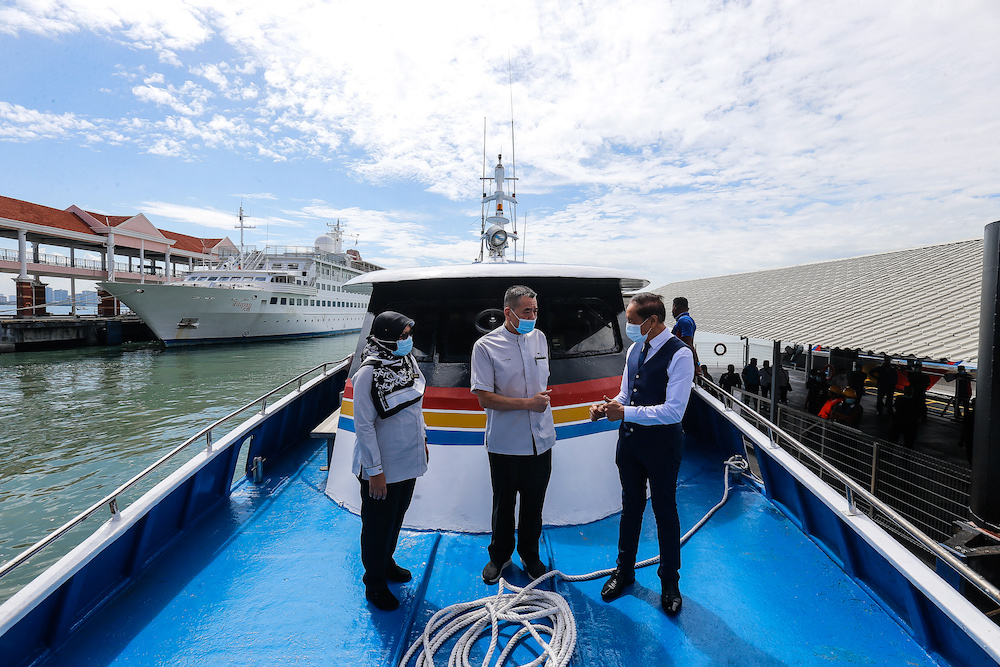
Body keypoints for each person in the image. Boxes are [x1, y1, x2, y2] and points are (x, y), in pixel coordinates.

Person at [589, 292, 695, 616]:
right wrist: (605, 407)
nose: (629, 327)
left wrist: (625, 413)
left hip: (662, 446)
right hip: (631, 445)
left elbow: (673, 412)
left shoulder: (681, 355)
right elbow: (625, 393)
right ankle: (624, 572)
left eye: (633, 322)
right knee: (630, 508)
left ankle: (670, 583)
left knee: (665, 512)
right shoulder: (635, 349)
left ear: (652, 321)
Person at [471, 285, 555, 584]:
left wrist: (540, 401)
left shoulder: (540, 338)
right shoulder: (485, 347)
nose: (533, 316)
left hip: (541, 441)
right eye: (527, 312)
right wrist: (528, 404)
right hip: (505, 444)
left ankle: (530, 555)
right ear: (509, 312)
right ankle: (499, 556)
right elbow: (484, 398)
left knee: (534, 505)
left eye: (535, 311)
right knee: (503, 505)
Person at [352, 311, 429, 611]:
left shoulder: (407, 362)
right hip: (381, 467)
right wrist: (375, 472)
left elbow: (415, 407)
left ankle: (386, 562)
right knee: (377, 525)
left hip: (407, 459)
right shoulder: (368, 373)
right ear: (385, 335)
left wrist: (422, 438)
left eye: (409, 334)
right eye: (402, 336)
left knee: (396, 518)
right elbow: (364, 426)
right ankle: (374, 582)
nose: (407, 341)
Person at [671, 296, 700, 373]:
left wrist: (697, 365)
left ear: (675, 307)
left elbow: (688, 343)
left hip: (682, 361)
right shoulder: (684, 320)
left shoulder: (684, 321)